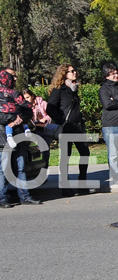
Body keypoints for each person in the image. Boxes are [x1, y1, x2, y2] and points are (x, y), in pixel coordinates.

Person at [47, 64, 96, 196]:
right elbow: (50, 108)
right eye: (71, 71)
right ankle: (65, 186)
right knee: (65, 157)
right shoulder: (59, 90)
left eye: (75, 70)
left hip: (78, 127)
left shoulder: (74, 88)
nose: (75, 73)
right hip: (67, 128)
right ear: (64, 73)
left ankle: (82, 184)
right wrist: (62, 120)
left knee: (85, 153)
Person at [0, 70, 40, 207]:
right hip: (3, 138)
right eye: (11, 76)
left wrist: (20, 119)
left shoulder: (16, 95)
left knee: (21, 167)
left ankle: (25, 196)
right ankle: (2, 197)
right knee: (4, 169)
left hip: (19, 136)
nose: (14, 78)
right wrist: (12, 118)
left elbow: (28, 111)